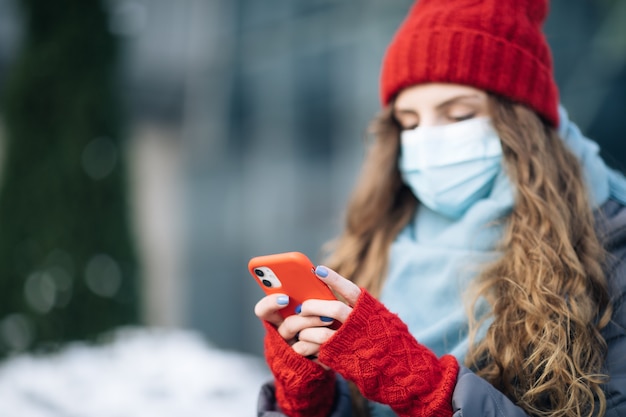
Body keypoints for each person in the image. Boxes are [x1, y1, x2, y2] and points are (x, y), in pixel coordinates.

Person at [254, 0, 626, 416]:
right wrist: (308, 400)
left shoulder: (609, 250)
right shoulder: (371, 241)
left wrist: (427, 389)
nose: (428, 139)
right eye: (409, 122)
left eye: (459, 114)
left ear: (521, 123)